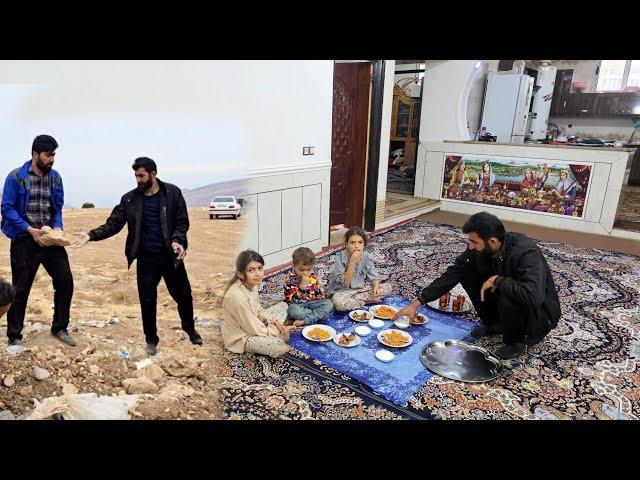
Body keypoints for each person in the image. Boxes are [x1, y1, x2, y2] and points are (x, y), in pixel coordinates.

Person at [72, 157, 201, 355]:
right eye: (136, 176)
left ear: (153, 174)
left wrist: (177, 240)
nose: (138, 180)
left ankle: (190, 329)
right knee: (147, 300)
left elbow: (182, 222)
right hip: (146, 259)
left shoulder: (172, 193)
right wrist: (90, 235)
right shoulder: (130, 199)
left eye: (141, 176)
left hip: (170, 257)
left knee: (184, 296)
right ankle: (151, 340)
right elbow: (113, 224)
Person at [393, 211, 561, 359]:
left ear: (492, 242)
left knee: (508, 292)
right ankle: (496, 324)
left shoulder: (525, 252)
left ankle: (517, 341)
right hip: (512, 304)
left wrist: (498, 281)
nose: (470, 246)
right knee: (467, 272)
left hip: (539, 317)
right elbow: (453, 273)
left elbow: (533, 296)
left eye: (474, 242)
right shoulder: (481, 250)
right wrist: (416, 303)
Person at [1, 135, 76, 347]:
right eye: (48, 155)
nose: (52, 159)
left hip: (49, 238)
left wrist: (58, 228)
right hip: (25, 238)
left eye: (54, 155)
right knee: (20, 289)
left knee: (65, 281)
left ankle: (60, 327)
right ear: (35, 154)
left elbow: (57, 208)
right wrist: (29, 230)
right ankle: (14, 336)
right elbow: (7, 208)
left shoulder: (56, 178)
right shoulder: (16, 177)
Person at [221, 250, 299, 358]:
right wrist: (278, 331)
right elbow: (253, 329)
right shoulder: (238, 298)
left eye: (260, 268)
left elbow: (258, 309)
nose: (258, 274)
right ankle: (278, 336)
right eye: (251, 270)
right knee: (278, 347)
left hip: (251, 322)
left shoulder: (251, 283)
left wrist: (276, 323)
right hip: (242, 337)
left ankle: (277, 332)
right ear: (240, 274)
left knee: (284, 306)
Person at [326, 226, 392, 311]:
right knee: (338, 303)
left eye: (360, 242)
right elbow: (345, 283)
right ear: (346, 245)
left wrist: (375, 286)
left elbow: (373, 278)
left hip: (359, 289)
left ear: (364, 245)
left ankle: (359, 300)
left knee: (388, 288)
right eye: (352, 243)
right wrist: (352, 262)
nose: (357, 246)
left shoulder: (367, 256)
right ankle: (366, 300)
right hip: (342, 291)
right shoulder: (340, 257)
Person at [284, 247, 334, 327]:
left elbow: (315, 290)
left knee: (329, 304)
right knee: (294, 312)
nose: (305, 273)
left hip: (311, 302)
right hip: (297, 305)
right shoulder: (289, 280)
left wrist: (319, 295)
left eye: (308, 270)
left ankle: (305, 320)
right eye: (302, 270)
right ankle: (316, 315)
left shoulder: (312, 276)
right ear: (293, 265)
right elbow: (294, 300)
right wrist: (302, 286)